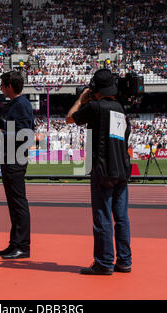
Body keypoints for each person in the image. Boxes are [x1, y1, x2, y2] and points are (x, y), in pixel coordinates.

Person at [66, 69, 132, 275]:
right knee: (121, 218)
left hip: (103, 169)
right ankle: (124, 261)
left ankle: (104, 262)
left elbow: (69, 118)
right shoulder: (120, 108)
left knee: (102, 216)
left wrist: (81, 99)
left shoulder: (94, 107)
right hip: (122, 169)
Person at [0, 71, 34, 259]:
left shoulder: (21, 105)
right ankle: (15, 244)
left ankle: (23, 246)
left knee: (18, 203)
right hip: (11, 157)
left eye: (2, 85)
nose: (1, 88)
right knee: (14, 204)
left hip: (15, 159)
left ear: (10, 86)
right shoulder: (18, 104)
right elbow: (14, 129)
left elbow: (25, 134)